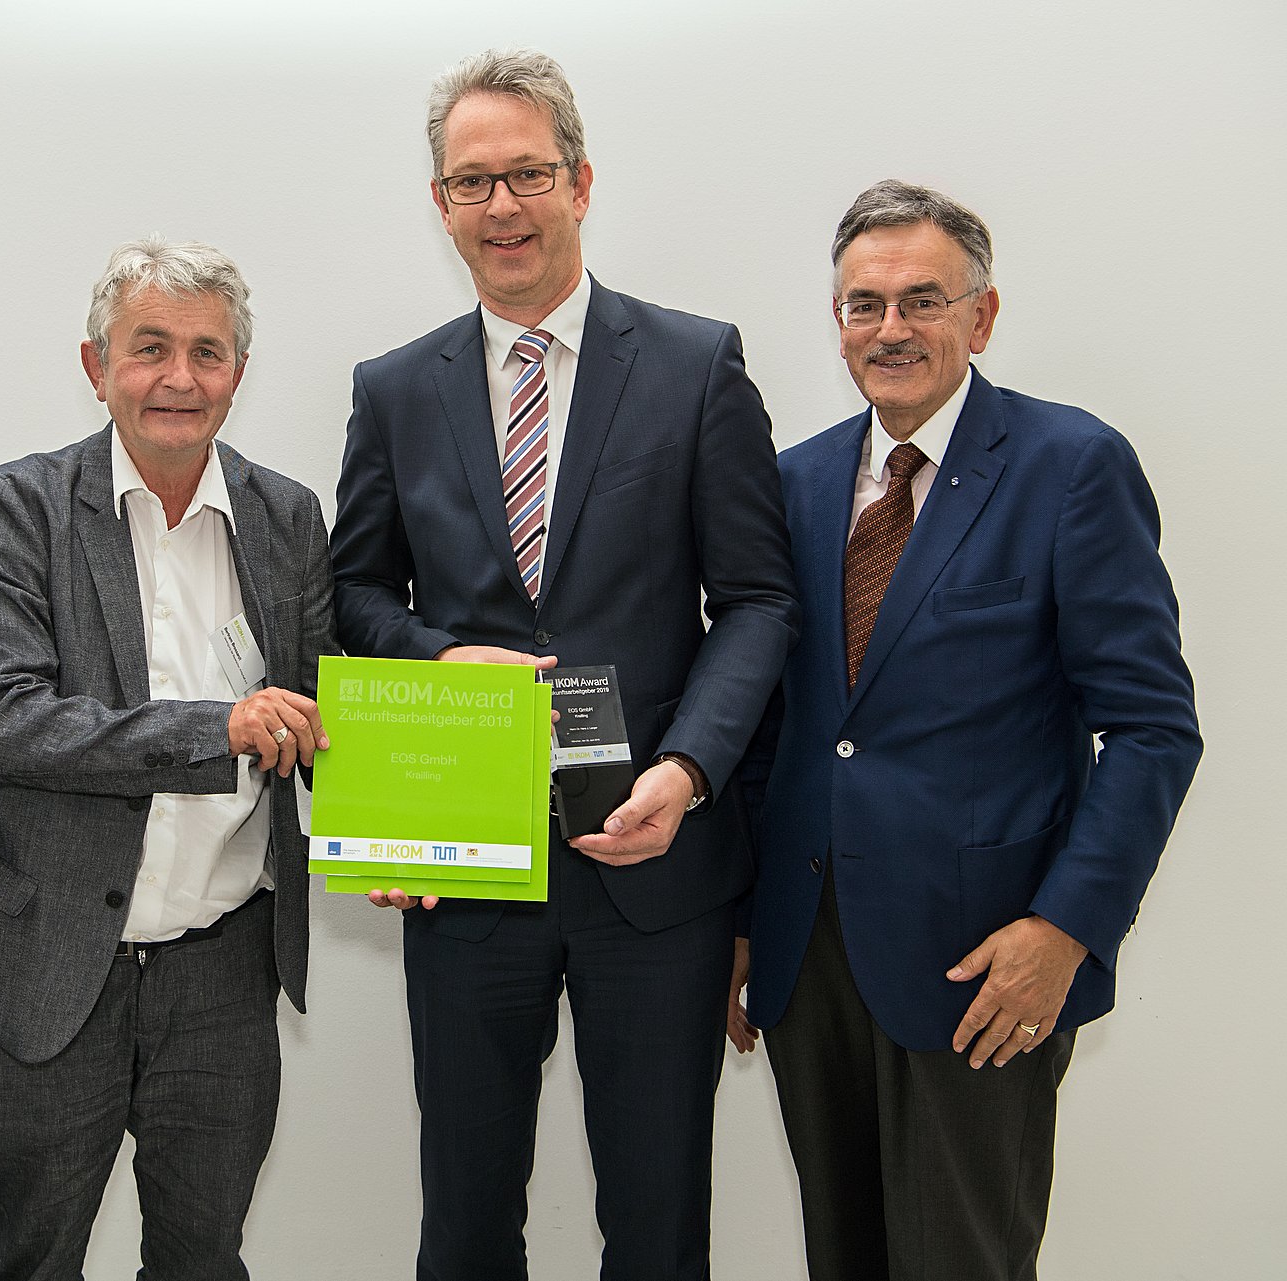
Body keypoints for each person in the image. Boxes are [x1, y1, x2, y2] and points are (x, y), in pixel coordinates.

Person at [331, 49, 797, 1280]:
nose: (503, 207)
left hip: (656, 872)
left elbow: (755, 602)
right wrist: (443, 659)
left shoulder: (697, 366)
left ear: (580, 182)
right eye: (472, 182)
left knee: (656, 1222)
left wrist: (691, 771)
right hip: (466, 866)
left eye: (527, 173)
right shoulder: (393, 390)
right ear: (441, 204)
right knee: (466, 1219)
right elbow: (356, 594)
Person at [731, 179, 1202, 1280]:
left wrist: (1066, 930)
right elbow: (775, 726)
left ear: (981, 317)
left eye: (923, 299)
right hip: (812, 956)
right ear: (838, 320)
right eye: (864, 304)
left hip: (986, 965)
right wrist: (743, 920)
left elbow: (1149, 729)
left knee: (965, 1262)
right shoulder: (791, 483)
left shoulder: (1071, 467)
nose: (890, 328)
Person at [0, 236, 334, 1281]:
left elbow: (325, 712)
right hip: (49, 964)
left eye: (207, 353)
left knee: (205, 1261)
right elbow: (1, 716)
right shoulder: (16, 508)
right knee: (33, 1261)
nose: (178, 379)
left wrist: (420, 831)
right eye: (148, 347)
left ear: (239, 376)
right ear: (95, 365)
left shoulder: (288, 518)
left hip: (221, 972)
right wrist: (220, 728)